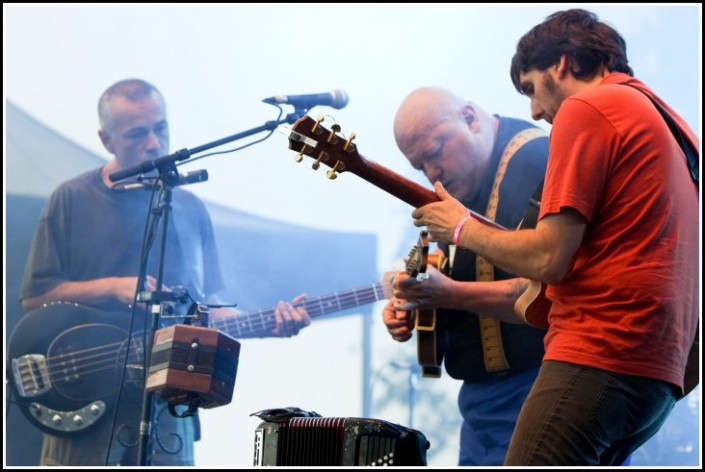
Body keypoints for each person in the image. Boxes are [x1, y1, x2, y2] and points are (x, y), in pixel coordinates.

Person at [410, 9, 699, 466]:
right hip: (660, 372)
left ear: (561, 65)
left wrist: (460, 229)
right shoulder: (667, 122)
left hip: (600, 355)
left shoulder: (589, 107)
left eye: (530, 88)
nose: (535, 112)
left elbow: (548, 258)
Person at [17, 78, 312, 466]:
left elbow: (207, 311)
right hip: (83, 403)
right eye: (137, 133)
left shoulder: (191, 208)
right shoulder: (71, 198)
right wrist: (114, 287)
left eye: (161, 128)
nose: (154, 143)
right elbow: (35, 297)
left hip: (169, 408)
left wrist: (267, 324)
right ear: (107, 140)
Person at [381, 86, 549, 465]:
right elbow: (441, 269)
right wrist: (410, 301)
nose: (431, 173)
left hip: (543, 389)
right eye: (419, 166)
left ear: (470, 119)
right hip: (479, 406)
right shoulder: (460, 186)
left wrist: (446, 294)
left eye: (435, 152)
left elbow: (549, 293)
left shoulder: (536, 158)